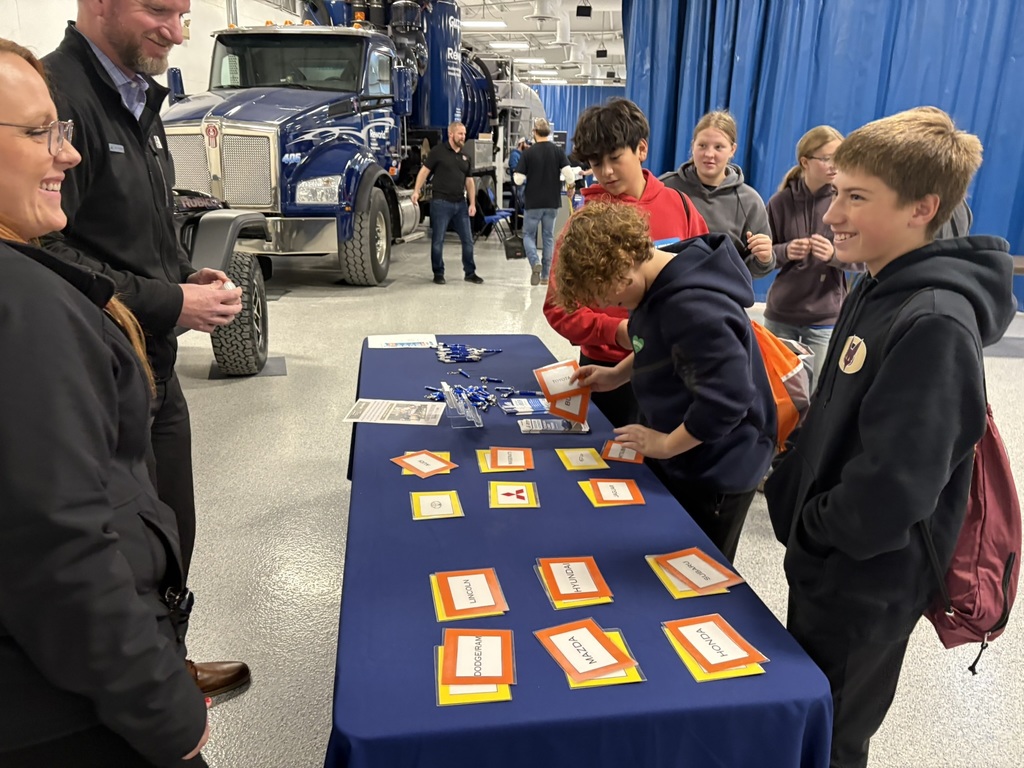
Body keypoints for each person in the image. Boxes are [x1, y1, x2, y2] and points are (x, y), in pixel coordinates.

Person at [764, 107, 1016, 768]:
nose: (830, 214)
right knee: (809, 720)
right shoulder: (875, 286)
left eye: (855, 197)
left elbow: (893, 489)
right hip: (828, 568)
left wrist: (816, 530)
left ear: (921, 208)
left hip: (862, 583)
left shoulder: (934, 321)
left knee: (833, 738)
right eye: (834, 192)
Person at [0, 38, 210, 767]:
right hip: (72, 713)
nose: (69, 154)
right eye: (38, 133)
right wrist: (165, 709)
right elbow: (57, 548)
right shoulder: (25, 310)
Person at [42, 0, 250, 696]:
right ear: (98, 4)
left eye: (184, 13)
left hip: (152, 370)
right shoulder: (61, 99)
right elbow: (48, 252)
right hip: (97, 378)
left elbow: (122, 236)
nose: (177, 30)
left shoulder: (137, 99)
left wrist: (183, 279)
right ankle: (136, 697)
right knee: (120, 551)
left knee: (169, 534)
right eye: (159, 10)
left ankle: (169, 666)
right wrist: (171, 302)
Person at [558, 203, 776, 561]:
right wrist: (616, 374)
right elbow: (655, 341)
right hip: (688, 449)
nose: (606, 303)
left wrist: (666, 445)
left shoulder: (693, 308)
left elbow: (729, 400)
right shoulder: (656, 276)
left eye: (607, 294)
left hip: (718, 468)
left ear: (624, 262)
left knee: (699, 569)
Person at [542, 97, 708, 428]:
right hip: (604, 372)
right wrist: (615, 331)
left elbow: (706, 286)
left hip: (671, 373)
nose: (605, 171)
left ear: (641, 149)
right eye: (595, 162)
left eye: (615, 158)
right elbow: (558, 306)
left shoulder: (681, 207)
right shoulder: (584, 222)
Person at [763, 125, 846, 387]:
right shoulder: (780, 203)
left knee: (818, 391)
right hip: (781, 315)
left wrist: (834, 254)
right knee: (775, 387)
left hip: (824, 318)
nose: (834, 165)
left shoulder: (846, 202)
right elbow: (761, 259)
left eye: (839, 158)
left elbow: (865, 260)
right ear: (805, 162)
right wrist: (784, 251)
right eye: (827, 159)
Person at [660, 110, 774, 277]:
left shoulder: (749, 201)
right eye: (702, 145)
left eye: (719, 147)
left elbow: (753, 268)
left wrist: (764, 258)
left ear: (732, 150)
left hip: (721, 295)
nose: (709, 154)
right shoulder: (665, 188)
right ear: (693, 146)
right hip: (669, 291)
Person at [411, 120, 484, 285]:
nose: (463, 137)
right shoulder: (438, 152)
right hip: (441, 203)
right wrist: (416, 190)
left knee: (468, 240)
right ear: (451, 134)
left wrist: (472, 203)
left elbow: (470, 181)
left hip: (461, 203)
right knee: (438, 241)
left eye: (464, 134)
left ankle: (470, 273)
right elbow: (424, 172)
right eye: (460, 134)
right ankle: (438, 273)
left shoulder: (466, 156)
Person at [514, 117, 575, 285]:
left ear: (534, 132)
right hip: (552, 202)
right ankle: (545, 277)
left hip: (533, 203)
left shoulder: (528, 153)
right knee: (548, 237)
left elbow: (518, 180)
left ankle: (535, 262)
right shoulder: (557, 151)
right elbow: (569, 175)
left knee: (528, 235)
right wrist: (571, 187)